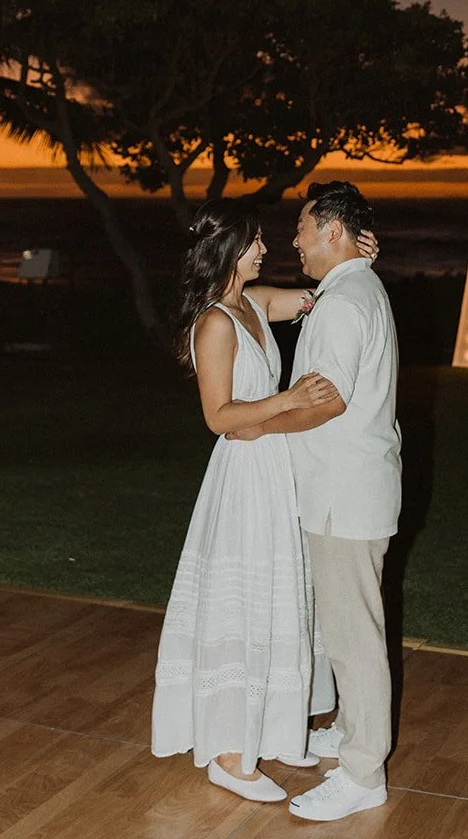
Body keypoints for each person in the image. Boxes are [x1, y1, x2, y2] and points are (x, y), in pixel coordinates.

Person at [150, 198, 339, 803]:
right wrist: (289, 400)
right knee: (243, 605)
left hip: (275, 469)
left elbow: (316, 296)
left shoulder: (253, 304)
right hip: (243, 478)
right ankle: (230, 756)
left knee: (281, 597)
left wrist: (355, 258)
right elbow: (218, 416)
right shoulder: (215, 323)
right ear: (231, 249)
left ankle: (275, 730)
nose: (265, 248)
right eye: (255, 240)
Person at [226, 181, 401, 823]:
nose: (293, 241)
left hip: (343, 495)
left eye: (302, 227)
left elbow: (327, 399)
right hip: (350, 490)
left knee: (354, 638)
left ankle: (363, 773)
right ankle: (353, 731)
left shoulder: (346, 302)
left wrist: (260, 426)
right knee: (344, 628)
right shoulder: (353, 288)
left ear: (331, 231)